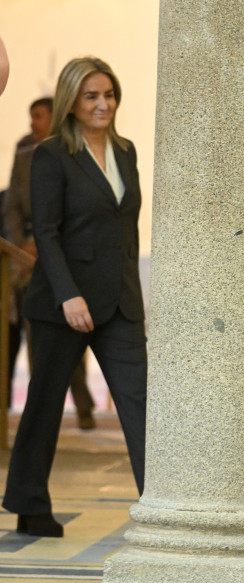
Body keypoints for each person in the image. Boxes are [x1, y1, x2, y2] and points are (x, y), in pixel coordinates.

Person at [2, 57, 146, 538]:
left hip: (121, 303)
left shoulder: (126, 151)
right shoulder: (50, 155)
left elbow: (126, 230)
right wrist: (69, 295)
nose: (103, 103)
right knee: (43, 405)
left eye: (109, 94)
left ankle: (164, 504)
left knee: (141, 403)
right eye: (92, 96)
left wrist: (137, 295)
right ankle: (29, 503)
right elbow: (46, 230)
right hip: (63, 303)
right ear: (73, 102)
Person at [2, 97, 98, 430]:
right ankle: (38, 412)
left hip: (62, 251)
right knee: (36, 333)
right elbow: (13, 202)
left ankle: (83, 406)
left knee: (69, 336)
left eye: (38, 117)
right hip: (24, 256)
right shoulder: (24, 149)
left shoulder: (73, 147)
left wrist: (46, 244)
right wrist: (20, 246)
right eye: (30, 117)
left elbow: (74, 205)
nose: (32, 124)